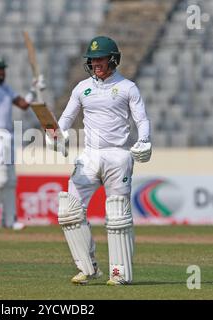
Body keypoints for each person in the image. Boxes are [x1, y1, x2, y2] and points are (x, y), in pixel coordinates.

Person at [46, 36, 152, 285]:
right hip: (90, 154)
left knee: (118, 215)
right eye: (92, 60)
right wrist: (56, 136)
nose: (96, 64)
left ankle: (120, 273)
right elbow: (66, 118)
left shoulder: (127, 87)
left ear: (113, 59)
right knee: (69, 209)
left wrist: (145, 140)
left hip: (118, 154)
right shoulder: (82, 88)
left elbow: (142, 119)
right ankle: (88, 267)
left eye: (100, 58)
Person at [0, 47, 45, 230]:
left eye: (3, 69)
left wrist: (33, 89)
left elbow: (22, 104)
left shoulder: (5, 87)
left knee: (10, 179)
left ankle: (9, 219)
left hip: (6, 135)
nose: (2, 72)